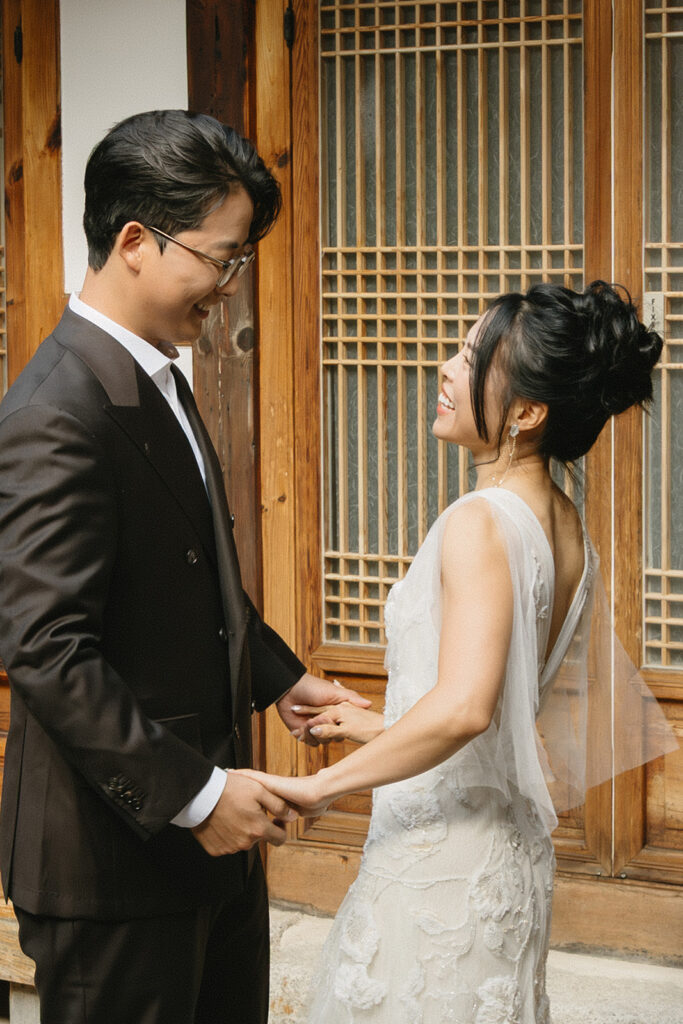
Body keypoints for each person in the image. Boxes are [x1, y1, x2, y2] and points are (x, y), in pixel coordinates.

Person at [0, 109, 369, 1024]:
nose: (230, 287)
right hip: (115, 863)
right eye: (220, 257)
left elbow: (188, 573)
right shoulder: (57, 411)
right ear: (134, 239)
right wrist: (198, 796)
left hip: (213, 849)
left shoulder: (153, 372)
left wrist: (280, 679)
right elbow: (47, 648)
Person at [241, 281, 678, 1023]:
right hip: (503, 861)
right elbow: (496, 708)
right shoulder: (565, 525)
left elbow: (468, 708)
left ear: (526, 413)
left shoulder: (479, 521)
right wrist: (379, 724)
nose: (445, 369)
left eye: (470, 358)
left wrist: (317, 790)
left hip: (436, 869)